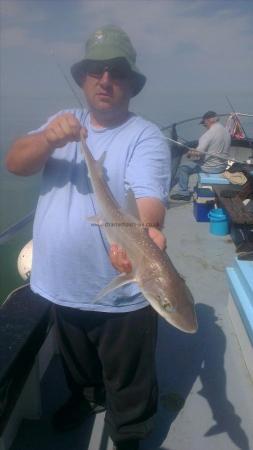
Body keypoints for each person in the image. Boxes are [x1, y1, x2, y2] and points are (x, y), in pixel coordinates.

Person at [5, 26, 171, 450]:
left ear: (131, 83)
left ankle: (130, 430)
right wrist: (46, 138)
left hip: (120, 287)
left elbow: (149, 203)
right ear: (82, 79)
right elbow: (15, 163)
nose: (106, 79)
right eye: (96, 71)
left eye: (117, 71)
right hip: (60, 284)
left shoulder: (145, 136)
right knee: (77, 365)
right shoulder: (63, 123)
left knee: (129, 375)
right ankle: (86, 399)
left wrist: (146, 238)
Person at [170, 111, 231, 201]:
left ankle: (183, 193)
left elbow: (199, 153)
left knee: (183, 168)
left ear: (208, 120)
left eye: (204, 123)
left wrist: (190, 153)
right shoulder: (225, 131)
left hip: (210, 168)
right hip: (222, 166)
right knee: (195, 163)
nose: (204, 125)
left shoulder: (208, 134)